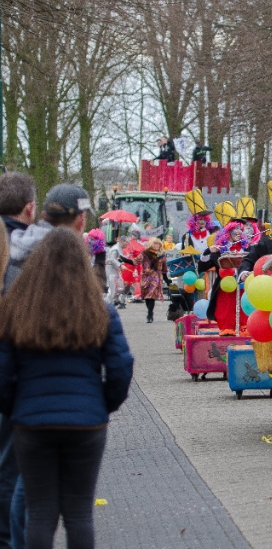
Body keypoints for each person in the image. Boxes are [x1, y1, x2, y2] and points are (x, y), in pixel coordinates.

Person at [0, 227, 133, 549]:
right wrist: (103, 405)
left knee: (40, 513)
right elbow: (121, 366)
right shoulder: (101, 311)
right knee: (79, 514)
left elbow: (3, 374)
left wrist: (15, 408)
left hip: (31, 424)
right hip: (87, 423)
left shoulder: (16, 310)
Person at [198, 221, 251, 335]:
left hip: (243, 284)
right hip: (225, 286)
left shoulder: (247, 248)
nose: (239, 231)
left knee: (244, 305)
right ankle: (227, 328)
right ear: (228, 232)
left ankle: (245, 326)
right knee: (225, 307)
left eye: (240, 229)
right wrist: (208, 251)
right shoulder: (219, 250)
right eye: (235, 228)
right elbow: (203, 266)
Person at [133, 238, 168, 324]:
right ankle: (149, 312)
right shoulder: (145, 253)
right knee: (146, 296)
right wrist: (124, 260)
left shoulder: (162, 255)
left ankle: (149, 314)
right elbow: (135, 262)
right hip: (146, 277)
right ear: (151, 244)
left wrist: (167, 279)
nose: (156, 246)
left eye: (158, 244)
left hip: (156, 277)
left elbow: (164, 268)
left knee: (152, 295)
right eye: (155, 244)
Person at [105, 236, 129, 309]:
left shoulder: (120, 248)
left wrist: (122, 263)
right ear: (122, 241)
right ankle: (106, 304)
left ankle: (115, 300)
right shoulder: (115, 249)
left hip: (116, 270)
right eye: (126, 243)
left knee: (121, 286)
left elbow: (119, 258)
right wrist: (120, 265)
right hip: (111, 269)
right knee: (113, 288)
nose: (127, 244)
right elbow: (112, 259)